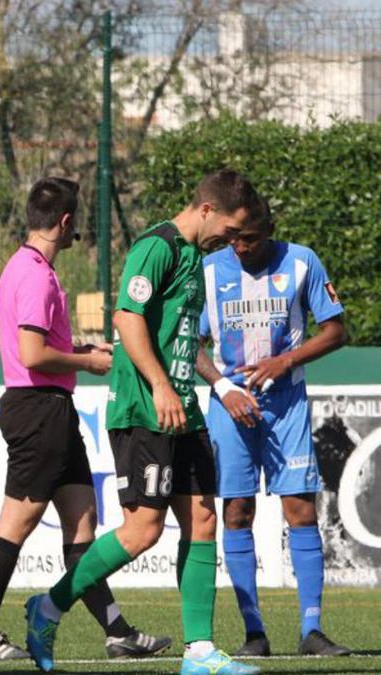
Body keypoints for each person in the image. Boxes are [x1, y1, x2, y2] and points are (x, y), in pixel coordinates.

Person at [23, 169, 264, 675]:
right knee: (143, 530)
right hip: (143, 408)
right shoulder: (156, 246)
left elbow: (181, 340)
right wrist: (158, 385)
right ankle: (49, 606)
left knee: (201, 520)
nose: (232, 240)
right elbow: (127, 319)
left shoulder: (196, 259)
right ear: (206, 211)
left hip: (182, 408)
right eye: (231, 227)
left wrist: (217, 385)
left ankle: (199, 652)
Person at [0, 177, 170, 662]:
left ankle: (117, 631)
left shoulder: (28, 266)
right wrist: (89, 362)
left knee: (82, 525)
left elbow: (36, 346)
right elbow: (32, 355)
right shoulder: (33, 273)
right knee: (18, 521)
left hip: (52, 407)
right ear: (67, 222)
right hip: (36, 409)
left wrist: (80, 350)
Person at [195, 195, 351, 658]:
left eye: (250, 238)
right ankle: (254, 633)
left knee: (301, 511)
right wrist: (225, 388)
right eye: (233, 237)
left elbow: (336, 331)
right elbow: (189, 342)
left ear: (269, 228)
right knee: (237, 511)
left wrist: (286, 360)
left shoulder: (302, 262)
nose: (240, 247)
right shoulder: (207, 271)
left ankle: (312, 630)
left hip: (287, 405)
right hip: (230, 407)